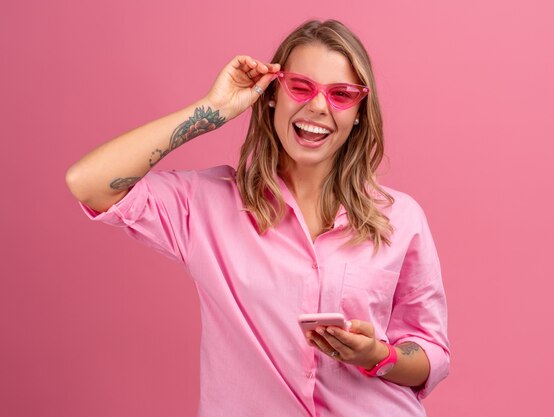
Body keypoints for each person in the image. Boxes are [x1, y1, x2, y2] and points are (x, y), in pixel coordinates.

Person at [66, 19, 449, 417]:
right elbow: (88, 182)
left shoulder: (400, 218)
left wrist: (377, 355)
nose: (318, 106)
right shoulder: (206, 204)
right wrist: (212, 109)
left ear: (358, 114)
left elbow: (430, 352)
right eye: (300, 87)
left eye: (341, 94)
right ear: (271, 96)